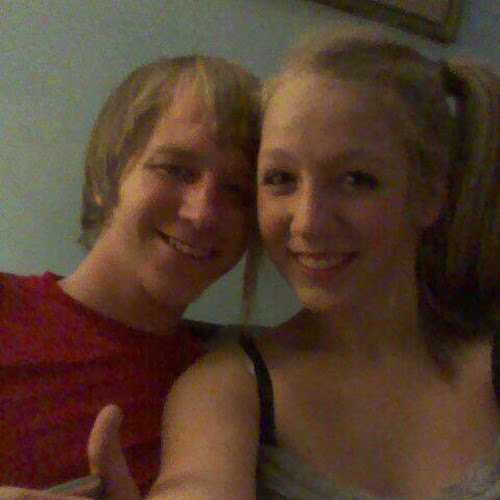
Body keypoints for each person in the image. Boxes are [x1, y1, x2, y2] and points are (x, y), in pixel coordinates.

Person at [94, 28, 499, 500]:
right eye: (281, 178)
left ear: (429, 196)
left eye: (355, 179)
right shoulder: (231, 386)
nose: (307, 222)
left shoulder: (488, 364)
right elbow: (197, 485)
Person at [0, 54, 261, 496]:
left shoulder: (222, 393)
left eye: (236, 191)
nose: (202, 213)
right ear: (108, 178)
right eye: (175, 169)